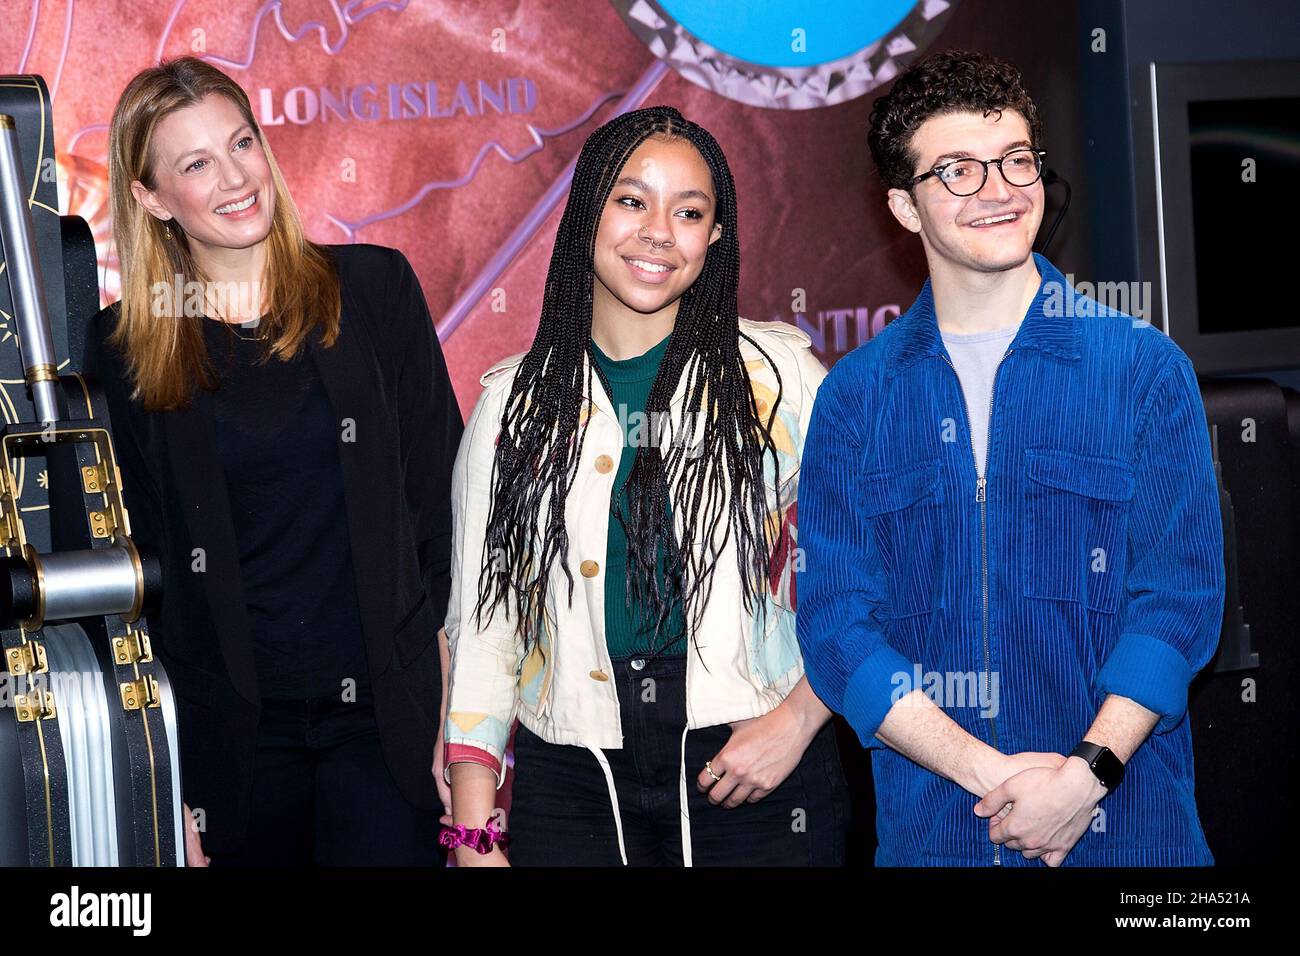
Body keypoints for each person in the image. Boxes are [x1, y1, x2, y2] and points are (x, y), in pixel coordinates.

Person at [796, 50, 1224, 866]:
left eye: (1015, 161)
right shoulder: (857, 396)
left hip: (1132, 835)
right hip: (939, 835)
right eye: (957, 170)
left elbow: (1178, 599)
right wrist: (989, 774)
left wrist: (1083, 777)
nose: (997, 190)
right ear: (904, 206)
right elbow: (837, 628)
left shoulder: (1141, 368)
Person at [441, 105, 850, 866]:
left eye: (689, 212)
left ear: (713, 238)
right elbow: (483, 622)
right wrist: (473, 830)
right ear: (587, 209)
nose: (659, 230)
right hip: (571, 773)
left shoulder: (780, 377)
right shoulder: (510, 404)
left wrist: (799, 719)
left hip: (754, 758)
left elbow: (878, 563)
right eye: (631, 200)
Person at [82, 56, 462, 866]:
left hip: (386, 724)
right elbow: (138, 581)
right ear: (150, 199)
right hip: (235, 748)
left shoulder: (372, 288)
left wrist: (466, 716)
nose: (234, 177)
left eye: (241, 143)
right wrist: (164, 777)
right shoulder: (123, 348)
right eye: (195, 164)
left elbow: (445, 509)